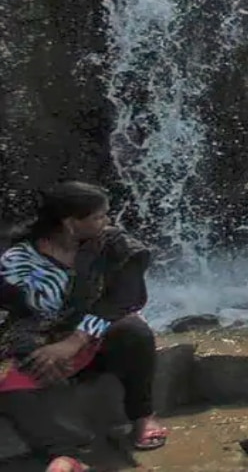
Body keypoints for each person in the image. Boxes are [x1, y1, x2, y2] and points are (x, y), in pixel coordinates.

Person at [0, 181, 168, 470]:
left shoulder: (114, 245)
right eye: (99, 216)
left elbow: (123, 300)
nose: (107, 221)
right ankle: (63, 454)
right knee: (11, 386)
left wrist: (74, 342)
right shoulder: (19, 258)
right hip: (41, 338)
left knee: (134, 331)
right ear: (70, 223)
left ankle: (142, 416)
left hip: (96, 334)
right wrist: (39, 351)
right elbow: (15, 313)